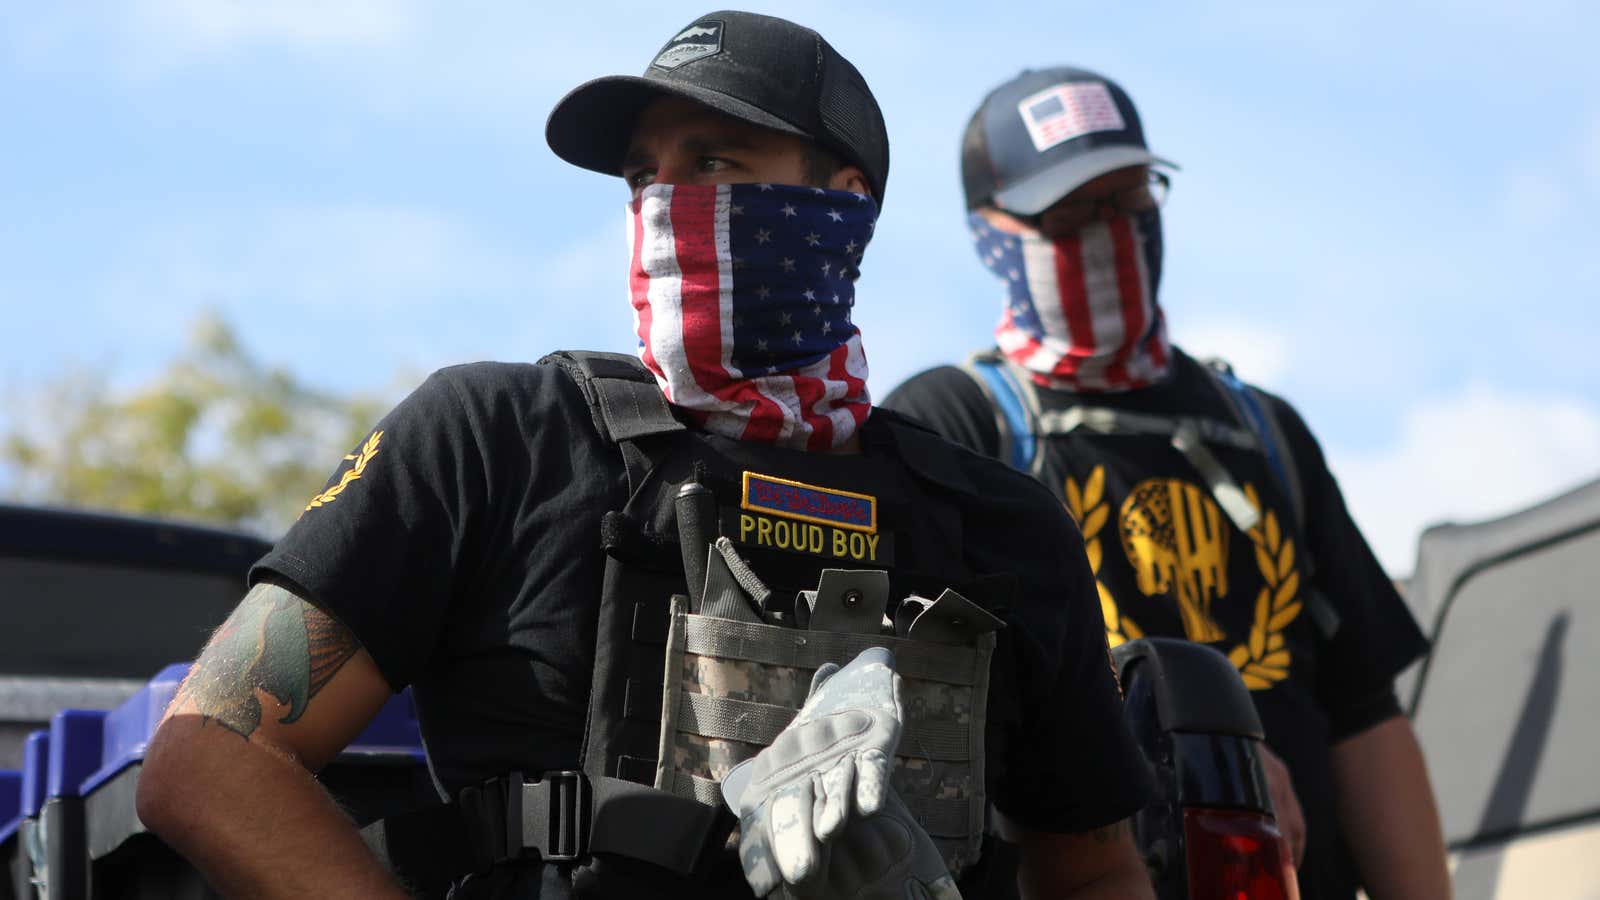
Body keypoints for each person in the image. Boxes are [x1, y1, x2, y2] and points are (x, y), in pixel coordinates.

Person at [136, 19, 1158, 900]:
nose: (666, 204)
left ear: (842, 203)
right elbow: (208, 755)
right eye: (642, 175)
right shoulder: (495, 440)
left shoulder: (997, 524)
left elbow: (1096, 871)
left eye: (714, 164)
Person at [883, 66, 1453, 900]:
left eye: (1131, 202)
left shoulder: (1263, 430)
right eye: (1072, 215)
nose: (1110, 234)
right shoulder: (954, 426)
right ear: (991, 233)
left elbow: (1365, 714)